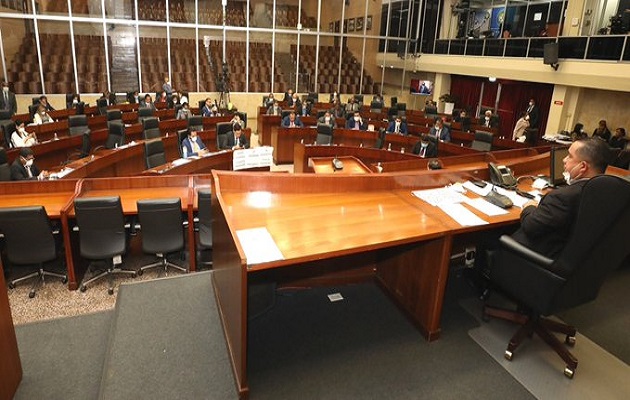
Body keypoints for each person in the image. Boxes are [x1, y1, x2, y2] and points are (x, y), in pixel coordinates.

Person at [510, 138, 611, 258]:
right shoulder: (608, 192)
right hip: (580, 264)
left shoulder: (564, 197)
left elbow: (531, 226)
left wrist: (529, 206)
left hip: (537, 260)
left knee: (490, 238)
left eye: (569, 156)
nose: (564, 160)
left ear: (583, 166)